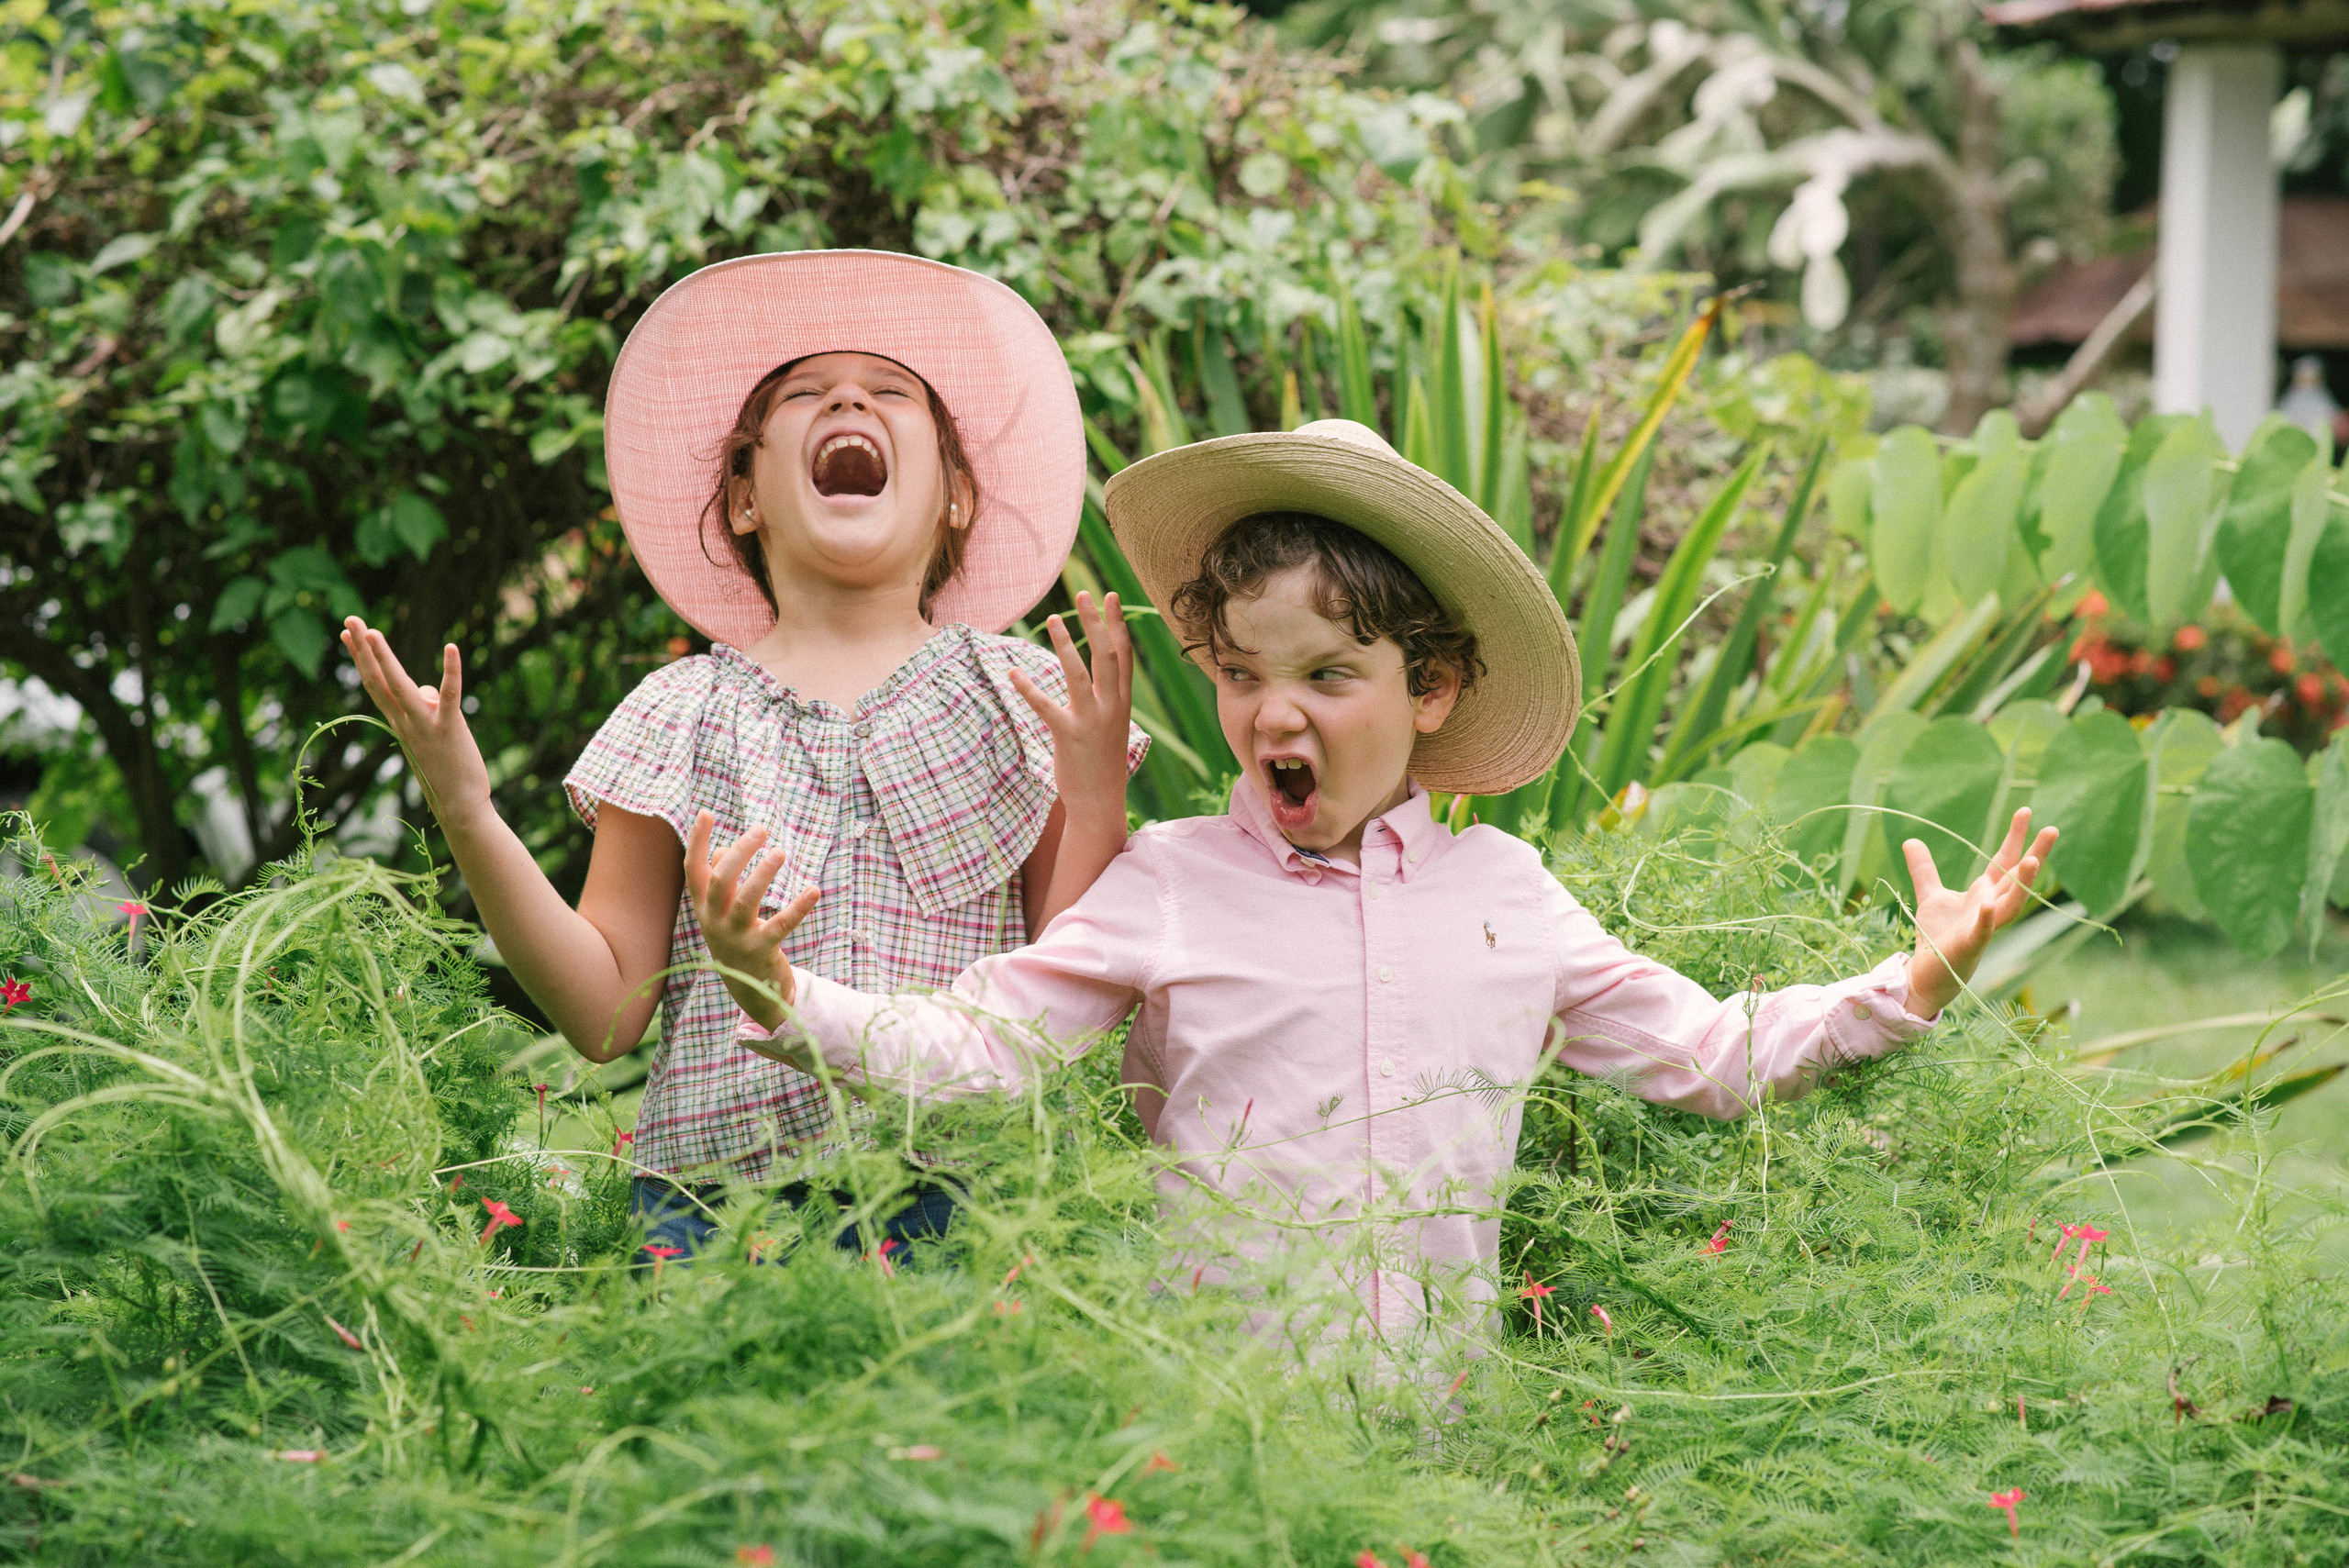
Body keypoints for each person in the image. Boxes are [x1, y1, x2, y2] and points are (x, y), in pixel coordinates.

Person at [686, 418, 2055, 1345]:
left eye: (1330, 677)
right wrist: (780, 988)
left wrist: (1909, 980)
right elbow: (981, 1044)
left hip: (1430, 1444)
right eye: (1244, 674)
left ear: (1434, 688)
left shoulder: (1505, 897)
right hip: (1211, 1429)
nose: (1276, 714)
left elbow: (1707, 1054)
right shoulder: (1169, 882)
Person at [340, 250, 1145, 1262]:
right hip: (717, 1215)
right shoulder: (681, 712)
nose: (849, 393)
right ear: (745, 496)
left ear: (956, 497)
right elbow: (602, 1012)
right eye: (803, 393)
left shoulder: (1017, 697)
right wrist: (467, 808)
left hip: (971, 1205)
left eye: (892, 391)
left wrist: (1092, 792)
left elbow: (1064, 999)